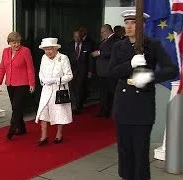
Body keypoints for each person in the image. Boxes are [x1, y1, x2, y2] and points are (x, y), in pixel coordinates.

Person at [110, 9, 179, 180]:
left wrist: (149, 77)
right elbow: (111, 72)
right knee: (124, 151)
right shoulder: (118, 46)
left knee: (140, 151)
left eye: (133, 22)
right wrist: (129, 64)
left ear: (143, 25)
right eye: (127, 22)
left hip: (142, 107)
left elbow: (172, 69)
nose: (129, 26)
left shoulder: (152, 44)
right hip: (123, 105)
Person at [0, 32, 35, 140]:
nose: (17, 44)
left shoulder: (25, 51)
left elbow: (30, 68)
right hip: (10, 83)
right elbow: (2, 68)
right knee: (16, 107)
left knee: (16, 106)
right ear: (9, 43)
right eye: (14, 42)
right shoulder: (5, 51)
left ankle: (12, 128)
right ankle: (22, 128)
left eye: (18, 42)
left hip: (22, 84)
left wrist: (32, 83)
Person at [35, 37, 73, 146]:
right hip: (46, 89)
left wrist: (56, 80)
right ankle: (44, 136)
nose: (48, 52)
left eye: (50, 49)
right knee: (43, 112)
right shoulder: (44, 58)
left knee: (59, 112)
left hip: (58, 90)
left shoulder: (63, 58)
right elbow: (40, 72)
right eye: (46, 49)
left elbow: (69, 75)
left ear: (55, 48)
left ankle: (59, 134)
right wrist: (43, 80)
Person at [92, 24, 120, 118]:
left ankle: (110, 111)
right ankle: (104, 111)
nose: (101, 34)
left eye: (102, 32)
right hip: (102, 71)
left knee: (111, 93)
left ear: (107, 31)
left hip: (109, 71)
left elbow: (113, 53)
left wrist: (99, 53)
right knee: (104, 93)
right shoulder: (104, 40)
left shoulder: (115, 39)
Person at [67, 30, 94, 114]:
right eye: (75, 37)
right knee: (72, 88)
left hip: (83, 70)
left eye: (78, 36)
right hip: (71, 70)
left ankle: (77, 106)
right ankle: (75, 104)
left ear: (81, 37)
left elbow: (90, 59)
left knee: (79, 87)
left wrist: (90, 71)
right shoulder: (70, 45)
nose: (77, 38)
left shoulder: (87, 45)